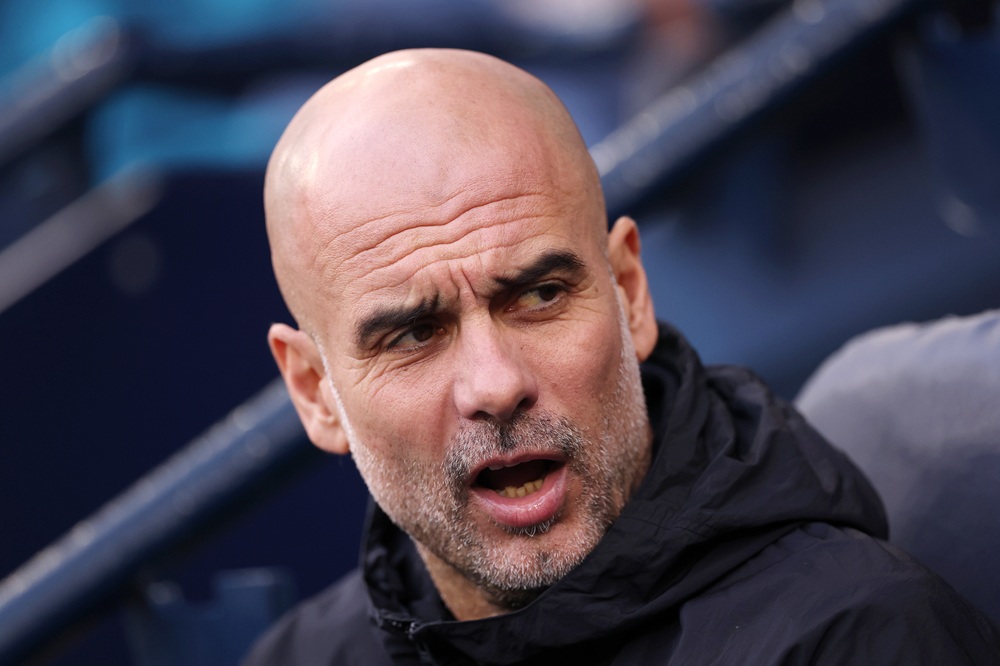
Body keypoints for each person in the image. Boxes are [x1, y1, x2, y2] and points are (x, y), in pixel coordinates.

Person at [244, 48, 1000, 664]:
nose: (496, 385)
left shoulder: (851, 636)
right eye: (414, 334)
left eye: (539, 295)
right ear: (314, 391)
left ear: (630, 293)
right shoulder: (299, 656)